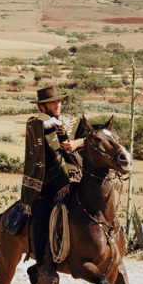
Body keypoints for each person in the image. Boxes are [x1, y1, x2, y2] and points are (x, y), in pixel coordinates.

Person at [20, 86, 85, 274]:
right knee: (41, 217)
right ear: (42, 107)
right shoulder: (38, 121)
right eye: (53, 102)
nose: (58, 104)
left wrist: (77, 143)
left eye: (59, 101)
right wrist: (54, 123)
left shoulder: (71, 122)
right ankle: (42, 265)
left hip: (74, 177)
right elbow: (38, 123)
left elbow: (95, 136)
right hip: (48, 183)